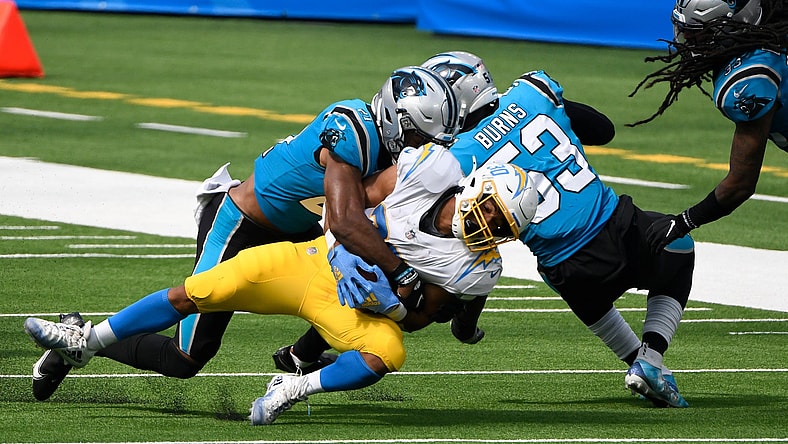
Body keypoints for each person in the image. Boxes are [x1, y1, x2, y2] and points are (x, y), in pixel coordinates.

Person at [29, 65, 461, 401]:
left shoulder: (390, 151)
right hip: (242, 221)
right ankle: (83, 338)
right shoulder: (353, 130)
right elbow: (345, 223)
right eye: (414, 134)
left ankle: (302, 357)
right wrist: (402, 272)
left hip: (295, 232)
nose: (415, 146)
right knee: (187, 358)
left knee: (357, 286)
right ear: (393, 115)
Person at [23, 145, 539, 425]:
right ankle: (84, 342)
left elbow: (426, 315)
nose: (488, 226)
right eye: (491, 209)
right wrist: (350, 244)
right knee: (200, 291)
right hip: (316, 262)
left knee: (388, 352)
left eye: (503, 227)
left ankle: (293, 386)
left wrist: (398, 309)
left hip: (357, 309)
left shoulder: (477, 268)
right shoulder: (428, 171)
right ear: (477, 187)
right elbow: (347, 200)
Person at [278, 69, 696, 408]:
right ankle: (650, 357)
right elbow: (603, 130)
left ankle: (304, 352)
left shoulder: (453, 154)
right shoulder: (532, 93)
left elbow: (372, 202)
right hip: (611, 225)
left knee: (415, 276)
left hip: (562, 267)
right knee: (678, 247)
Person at [628, 0, 787, 253]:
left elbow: (740, 185)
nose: (685, 42)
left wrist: (683, 222)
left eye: (695, 34)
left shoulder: (752, 77)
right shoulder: (770, 25)